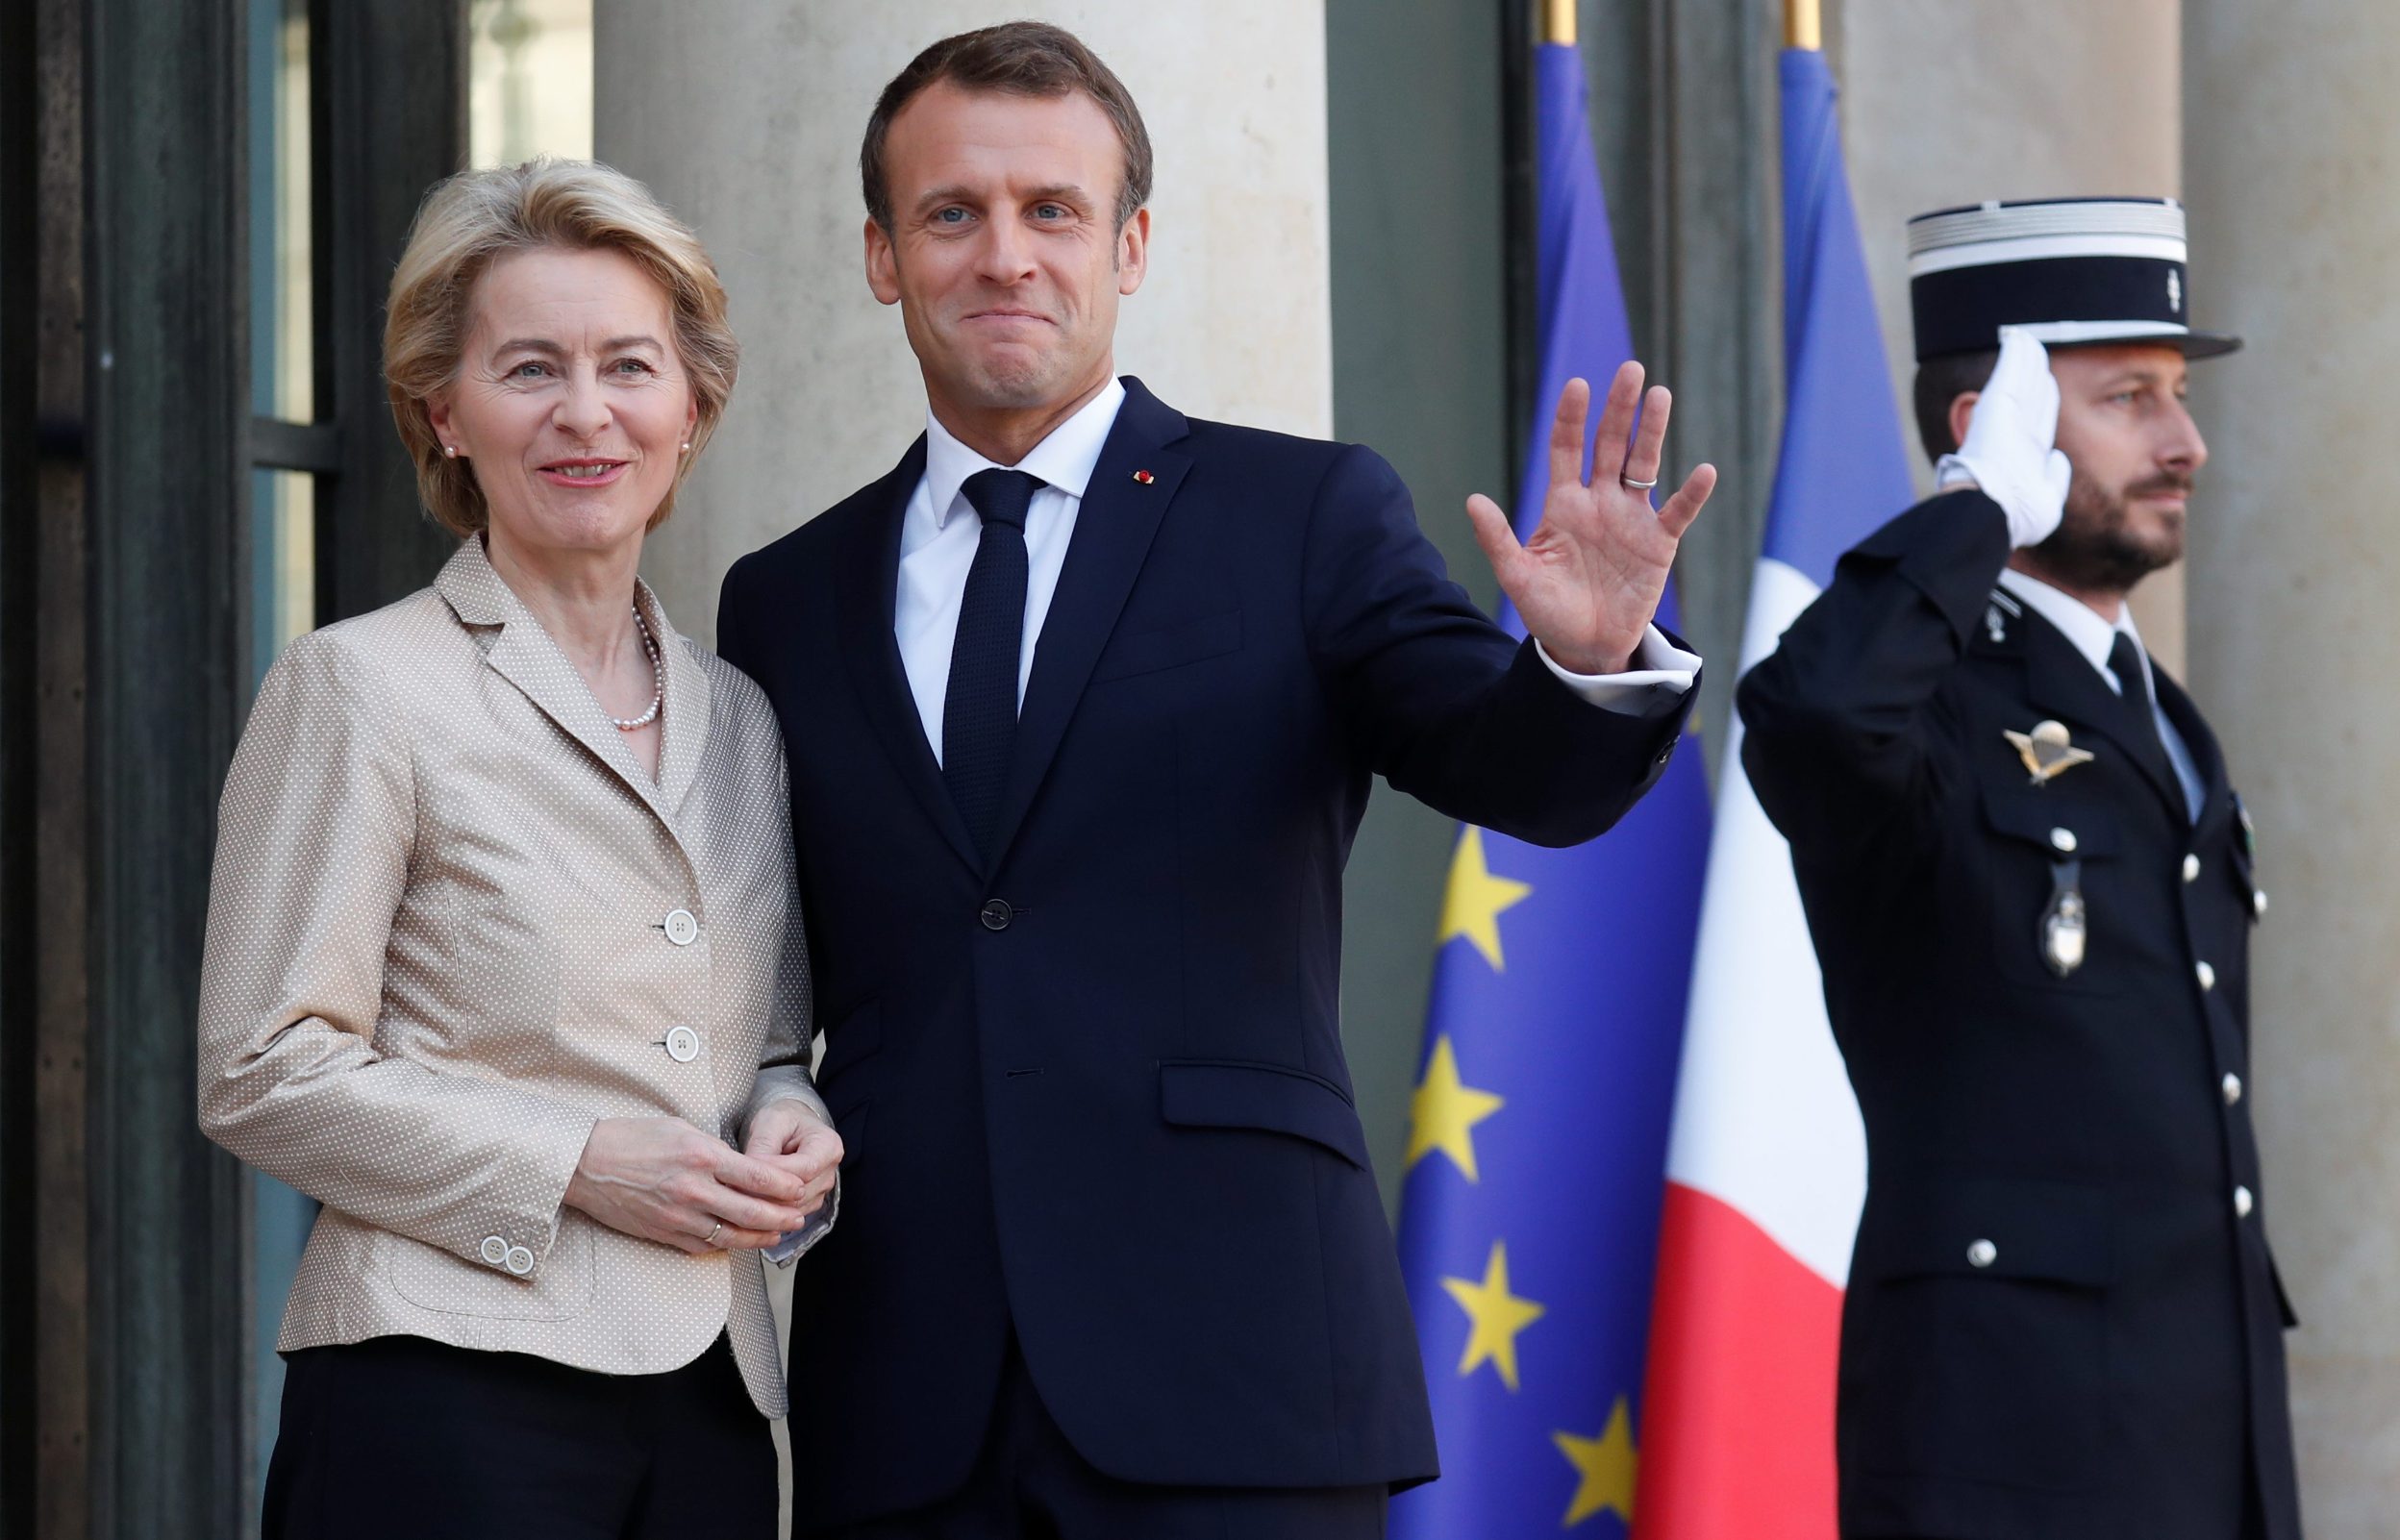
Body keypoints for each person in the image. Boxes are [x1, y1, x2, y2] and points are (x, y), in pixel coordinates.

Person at [714, 21, 1715, 1539]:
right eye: (952, 212)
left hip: (1237, 1375)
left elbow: (1505, 761)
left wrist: (1583, 663)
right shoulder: (785, 598)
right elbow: (756, 960)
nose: (1005, 254)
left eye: (1054, 210)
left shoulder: (1299, 512)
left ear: (1130, 246)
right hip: (906, 1396)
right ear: (881, 255)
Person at [196, 158, 843, 1538]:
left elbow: (766, 1039)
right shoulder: (360, 685)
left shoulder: (739, 715)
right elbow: (259, 1071)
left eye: (629, 366)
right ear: (447, 411)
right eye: (531, 369)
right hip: (443, 1392)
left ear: (689, 405)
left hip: (714, 1404)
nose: (586, 412)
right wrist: (578, 1160)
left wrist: (791, 1113)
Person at [1738, 197, 2299, 1540]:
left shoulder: (2157, 715)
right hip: (2005, 1452)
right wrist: (1973, 515)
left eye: (2177, 395)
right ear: (1989, 420)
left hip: (2201, 1445)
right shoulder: (1922, 696)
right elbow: (1811, 717)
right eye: (2127, 399)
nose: (2184, 443)